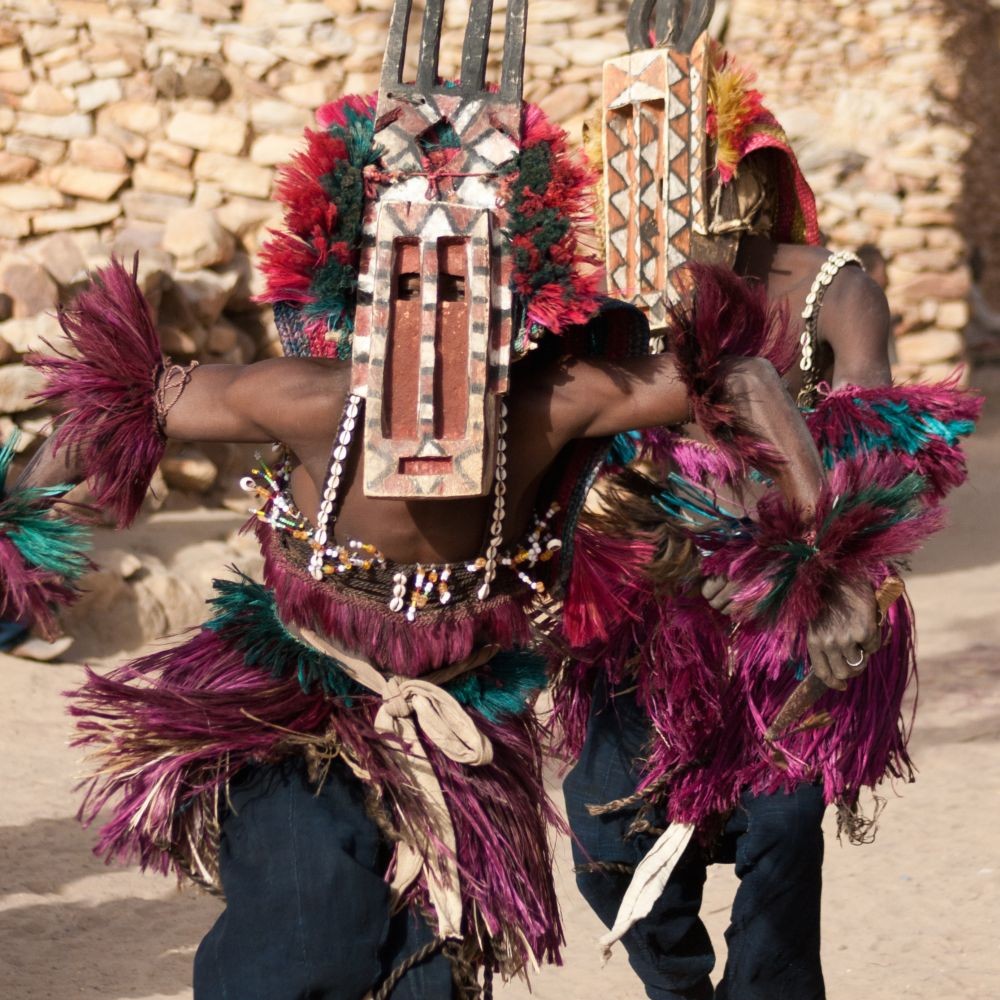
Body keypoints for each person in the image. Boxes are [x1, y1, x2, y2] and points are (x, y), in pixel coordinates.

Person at [0, 3, 872, 998]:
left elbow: (743, 380)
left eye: (466, 303)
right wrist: (12, 544)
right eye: (409, 302)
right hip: (297, 707)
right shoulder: (309, 404)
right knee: (304, 934)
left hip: (463, 715)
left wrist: (825, 563)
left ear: (512, 303)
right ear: (363, 307)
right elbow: (110, 407)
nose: (435, 350)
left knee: (425, 979)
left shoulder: (554, 404)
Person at [556, 8, 981, 1000]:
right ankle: (678, 988)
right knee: (604, 831)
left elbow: (886, 452)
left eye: (678, 175)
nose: (659, 204)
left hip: (788, 603)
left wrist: (833, 574)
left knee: (780, 827)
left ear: (735, 178)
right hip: (644, 606)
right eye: (636, 181)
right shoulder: (610, 304)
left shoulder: (830, 289)